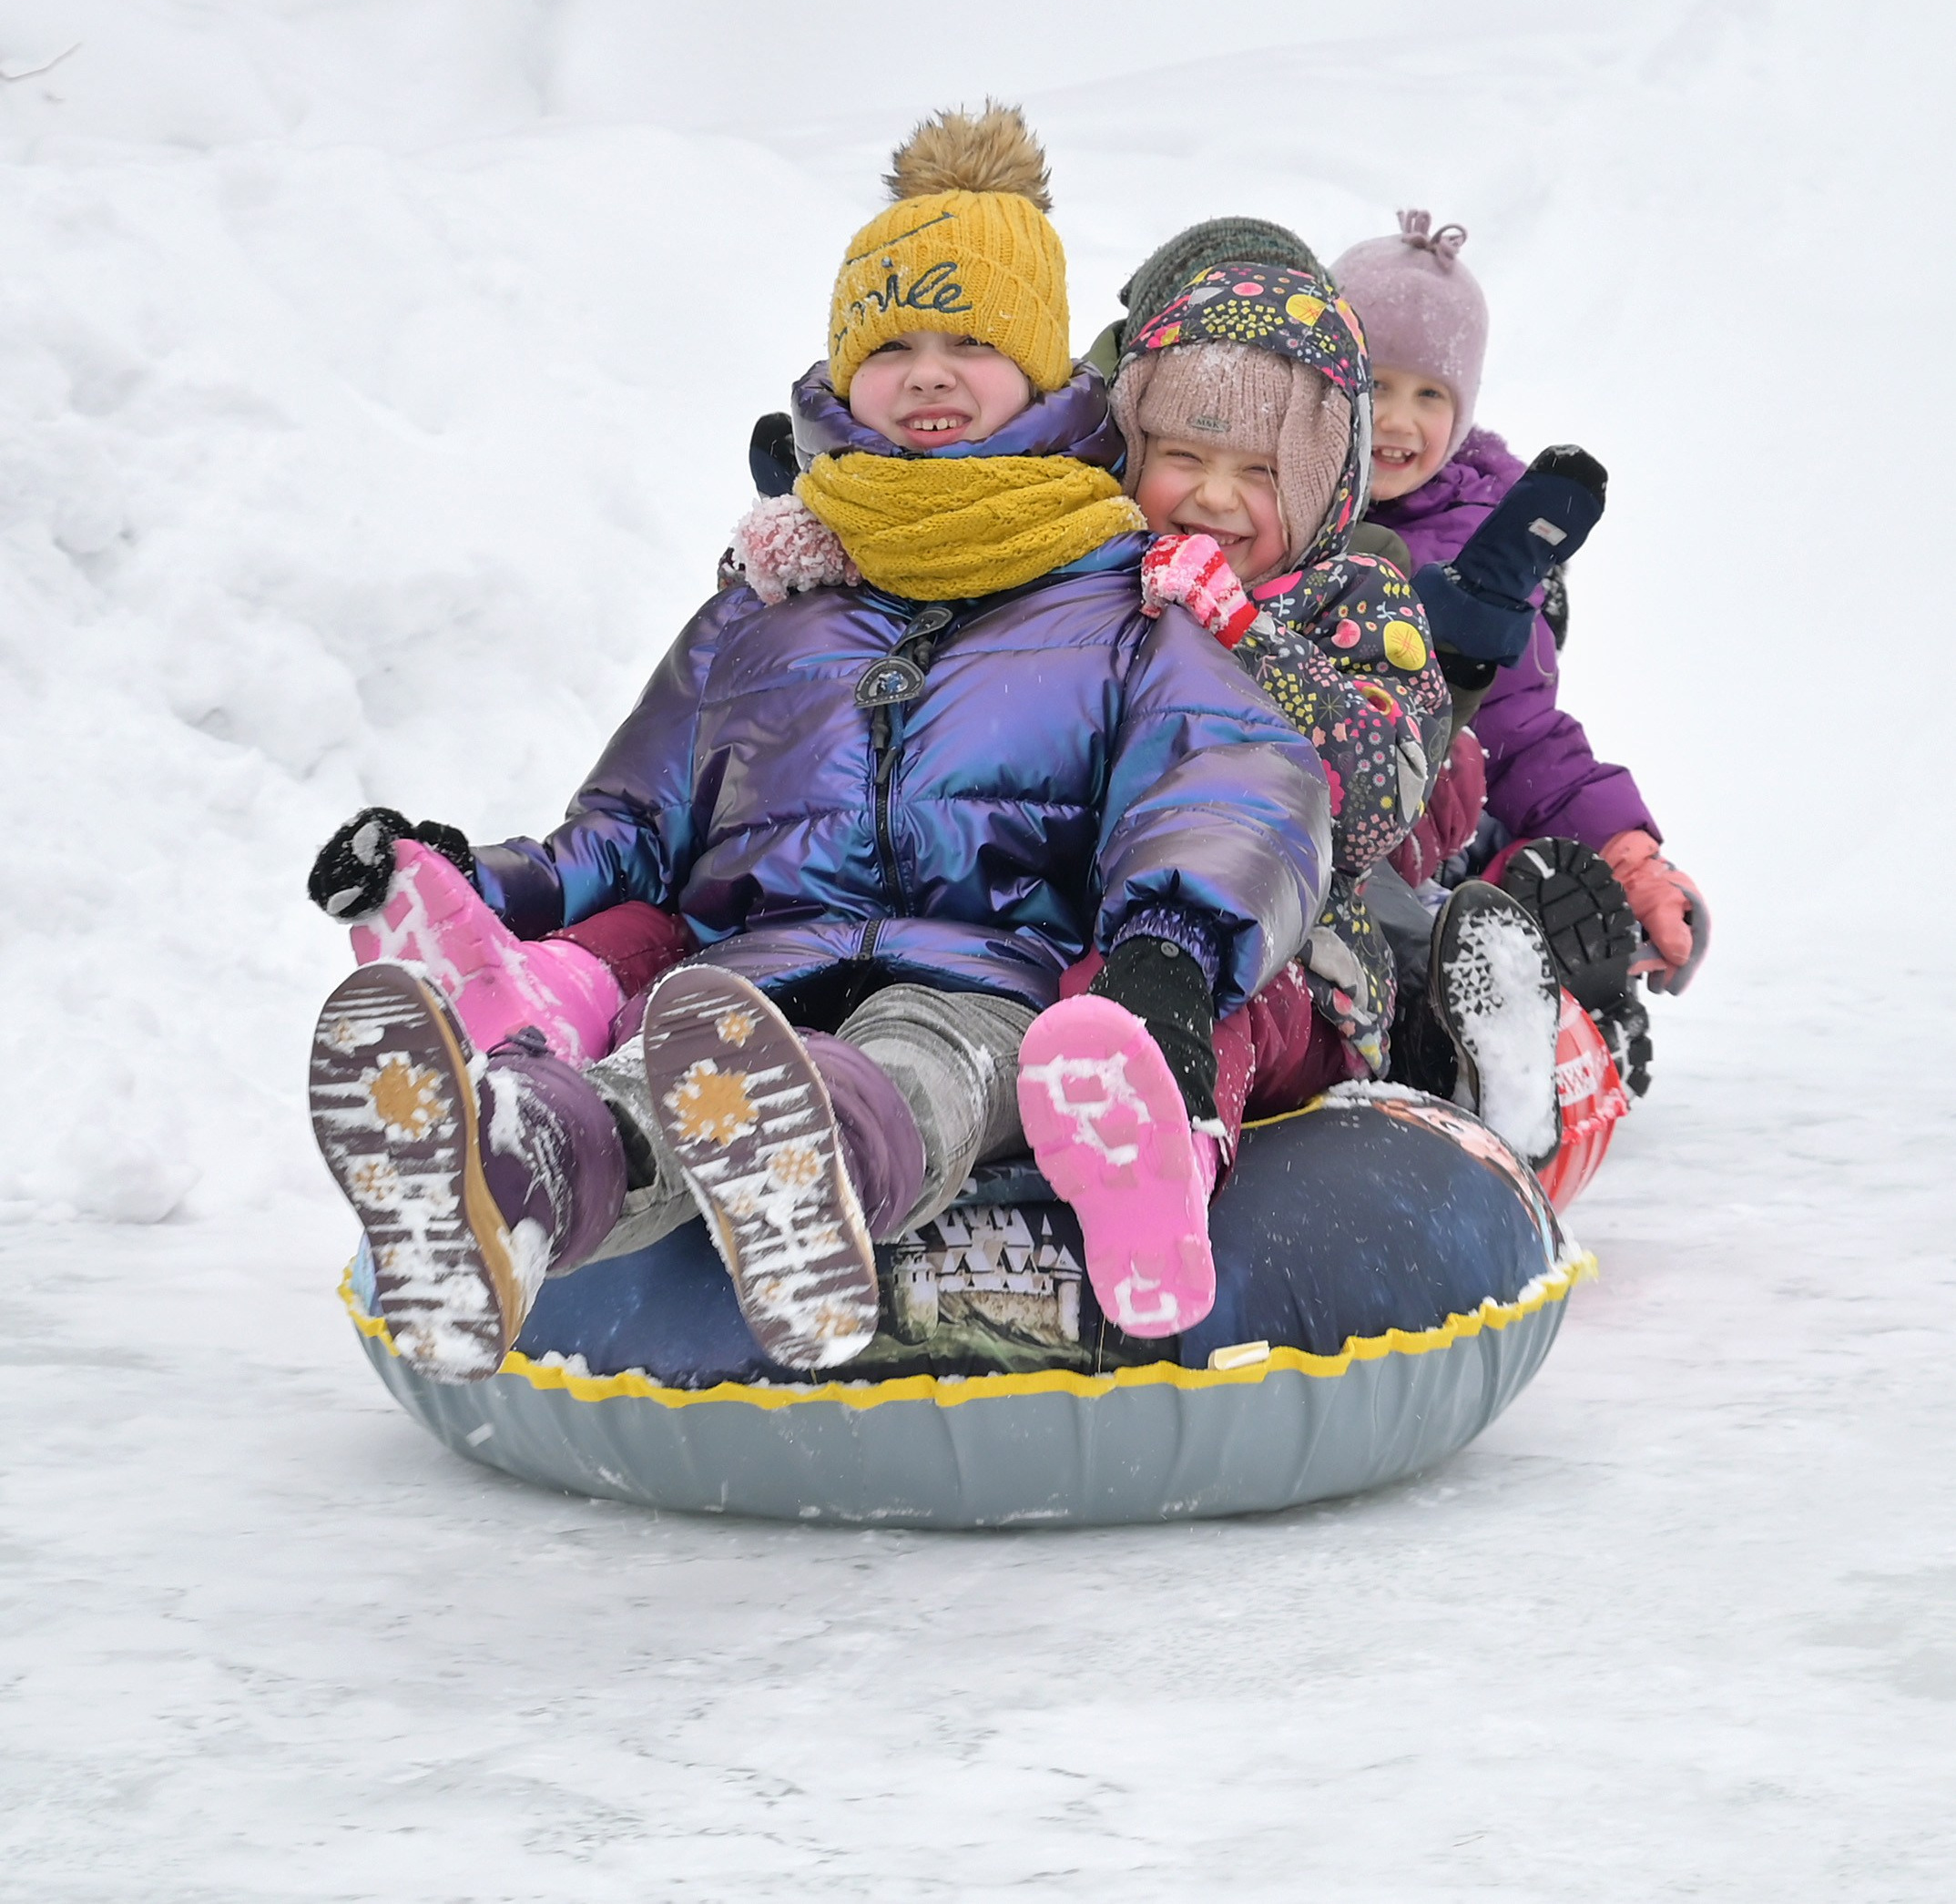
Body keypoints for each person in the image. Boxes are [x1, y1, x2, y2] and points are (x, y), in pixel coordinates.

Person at [303, 102, 1330, 1383]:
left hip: (985, 981)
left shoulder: (1118, 596)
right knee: (662, 1079)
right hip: (748, 986)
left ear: (1048, 370)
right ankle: (507, 1177)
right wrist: (484, 874)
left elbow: (1235, 776)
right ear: (843, 370)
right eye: (892, 341)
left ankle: (815, 1180)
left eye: (971, 339)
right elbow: (633, 821)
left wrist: (1171, 953)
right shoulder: (768, 602)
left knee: (909, 1065)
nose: (930, 371)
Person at [1096, 254, 1571, 1167]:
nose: (1214, 496)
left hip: (1294, 944)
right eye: (1184, 457)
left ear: (1321, 482)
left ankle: (1172, 1153)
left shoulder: (1355, 598)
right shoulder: (1104, 581)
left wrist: (1242, 633)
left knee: (1234, 989)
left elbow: (1365, 801)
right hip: (1113, 917)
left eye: (1262, 472)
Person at [1332, 211, 1709, 1083]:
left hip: (1438, 824)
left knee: (1472, 833)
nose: (1397, 419)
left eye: (1431, 395)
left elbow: (1526, 735)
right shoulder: (1271, 502)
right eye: (1375, 384)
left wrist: (1631, 857)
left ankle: (1543, 956)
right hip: (1319, 810)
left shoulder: (1488, 543)